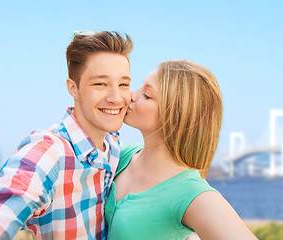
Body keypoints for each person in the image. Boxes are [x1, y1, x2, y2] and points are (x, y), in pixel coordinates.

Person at [0, 31, 132, 240]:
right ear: (73, 88)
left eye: (123, 84)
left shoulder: (114, 146)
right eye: (100, 84)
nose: (116, 97)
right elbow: (6, 205)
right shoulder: (50, 151)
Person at [105, 60, 258, 239]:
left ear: (175, 117)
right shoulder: (122, 155)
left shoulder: (190, 192)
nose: (130, 95)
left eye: (146, 95)